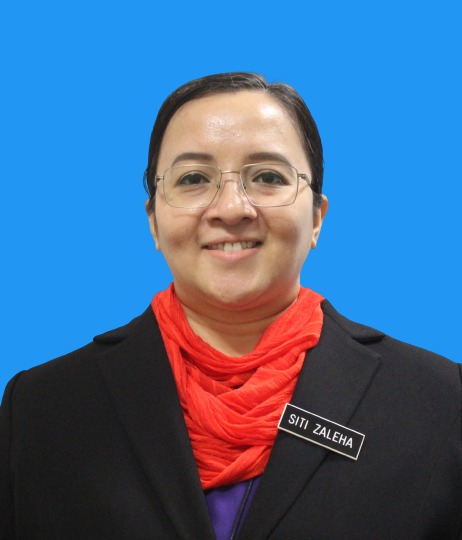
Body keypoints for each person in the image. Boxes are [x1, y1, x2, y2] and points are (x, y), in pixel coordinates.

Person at [1, 72, 461, 540]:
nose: (231, 208)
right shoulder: (43, 409)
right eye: (193, 179)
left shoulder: (438, 403)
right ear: (153, 220)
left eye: (268, 177)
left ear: (317, 218)